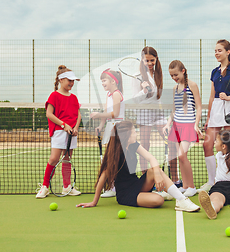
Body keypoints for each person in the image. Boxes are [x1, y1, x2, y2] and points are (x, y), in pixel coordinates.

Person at [76, 120, 200, 211]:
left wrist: (156, 175)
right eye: (134, 131)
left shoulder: (133, 145)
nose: (136, 133)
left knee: (154, 170)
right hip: (125, 193)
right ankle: (164, 194)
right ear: (126, 136)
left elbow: (151, 158)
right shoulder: (116, 154)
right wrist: (94, 201)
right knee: (158, 200)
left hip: (136, 184)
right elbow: (103, 176)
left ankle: (182, 200)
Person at [200, 39, 230, 193]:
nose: (216, 53)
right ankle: (212, 180)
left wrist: (229, 98)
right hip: (216, 108)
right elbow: (211, 95)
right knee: (207, 145)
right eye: (215, 50)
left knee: (228, 148)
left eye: (219, 50)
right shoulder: (214, 72)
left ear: (228, 52)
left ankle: (229, 180)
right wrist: (208, 118)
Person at [36, 65, 82, 198]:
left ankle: (66, 186)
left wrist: (76, 127)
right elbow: (49, 114)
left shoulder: (74, 98)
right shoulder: (54, 96)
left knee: (67, 159)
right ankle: (45, 187)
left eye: (73, 81)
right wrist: (64, 125)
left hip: (71, 133)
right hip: (59, 131)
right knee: (54, 159)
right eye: (69, 80)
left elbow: (78, 115)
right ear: (61, 80)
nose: (72, 83)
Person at [163, 60, 202, 197]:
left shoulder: (192, 85)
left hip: (188, 125)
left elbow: (198, 107)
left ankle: (191, 186)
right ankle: (185, 186)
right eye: (171, 76)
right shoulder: (175, 89)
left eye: (176, 75)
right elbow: (174, 109)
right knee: (180, 157)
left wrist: (196, 124)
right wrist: (168, 124)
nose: (174, 78)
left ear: (183, 71)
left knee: (181, 155)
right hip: (176, 125)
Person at [133, 47, 169, 176]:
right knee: (145, 145)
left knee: (169, 139)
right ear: (142, 60)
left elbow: (158, 96)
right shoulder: (137, 76)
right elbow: (135, 99)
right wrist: (144, 91)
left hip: (157, 111)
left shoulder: (158, 74)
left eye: (152, 60)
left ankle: (175, 178)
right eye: (146, 60)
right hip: (144, 111)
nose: (149, 63)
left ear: (156, 59)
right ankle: (144, 176)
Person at [90, 68, 124, 198]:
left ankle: (114, 187)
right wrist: (100, 125)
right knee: (110, 158)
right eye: (102, 81)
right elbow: (106, 111)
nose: (103, 83)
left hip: (119, 128)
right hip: (111, 127)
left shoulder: (116, 94)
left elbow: (114, 113)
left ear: (113, 81)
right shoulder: (109, 95)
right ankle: (112, 186)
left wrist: (98, 115)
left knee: (114, 159)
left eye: (104, 80)